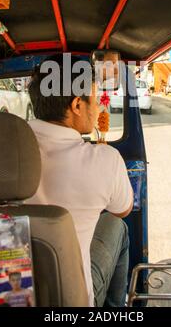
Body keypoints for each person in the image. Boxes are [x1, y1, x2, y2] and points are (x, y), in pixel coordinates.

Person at [28, 54, 133, 307]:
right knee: (118, 226)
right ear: (77, 105)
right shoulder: (104, 159)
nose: (98, 109)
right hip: (73, 300)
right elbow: (123, 209)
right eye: (95, 100)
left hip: (9, 295)